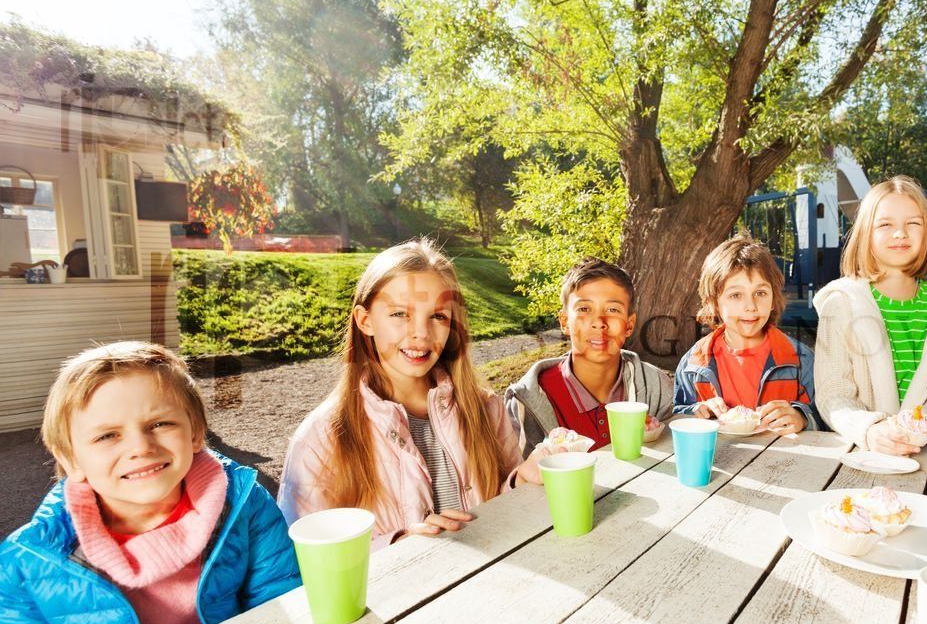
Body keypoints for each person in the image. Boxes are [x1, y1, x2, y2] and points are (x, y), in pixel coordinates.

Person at [0, 342, 299, 624]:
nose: (141, 447)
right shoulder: (27, 565)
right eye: (107, 435)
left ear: (195, 434)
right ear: (71, 459)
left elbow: (282, 610)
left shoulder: (244, 504)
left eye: (160, 424)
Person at [280, 239, 543, 547]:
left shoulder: (485, 408)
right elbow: (301, 561)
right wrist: (397, 546)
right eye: (400, 314)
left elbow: (504, 512)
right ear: (365, 321)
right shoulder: (321, 438)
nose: (421, 333)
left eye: (438, 316)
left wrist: (521, 481)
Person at [814, 176, 927, 452]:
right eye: (885, 224)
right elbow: (833, 393)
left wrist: (919, 426)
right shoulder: (841, 304)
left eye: (913, 223)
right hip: (861, 452)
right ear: (866, 233)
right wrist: (870, 430)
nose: (900, 233)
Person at [506, 257, 673, 457]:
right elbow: (519, 481)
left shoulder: (656, 387)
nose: (599, 322)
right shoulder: (527, 401)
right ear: (565, 322)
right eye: (584, 309)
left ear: (629, 325)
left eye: (612, 310)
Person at [673, 234, 818, 434]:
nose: (750, 306)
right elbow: (678, 413)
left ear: (773, 297)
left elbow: (827, 418)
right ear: (714, 303)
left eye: (760, 293)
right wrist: (696, 411)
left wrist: (803, 419)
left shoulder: (802, 361)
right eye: (735, 295)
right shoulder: (693, 364)